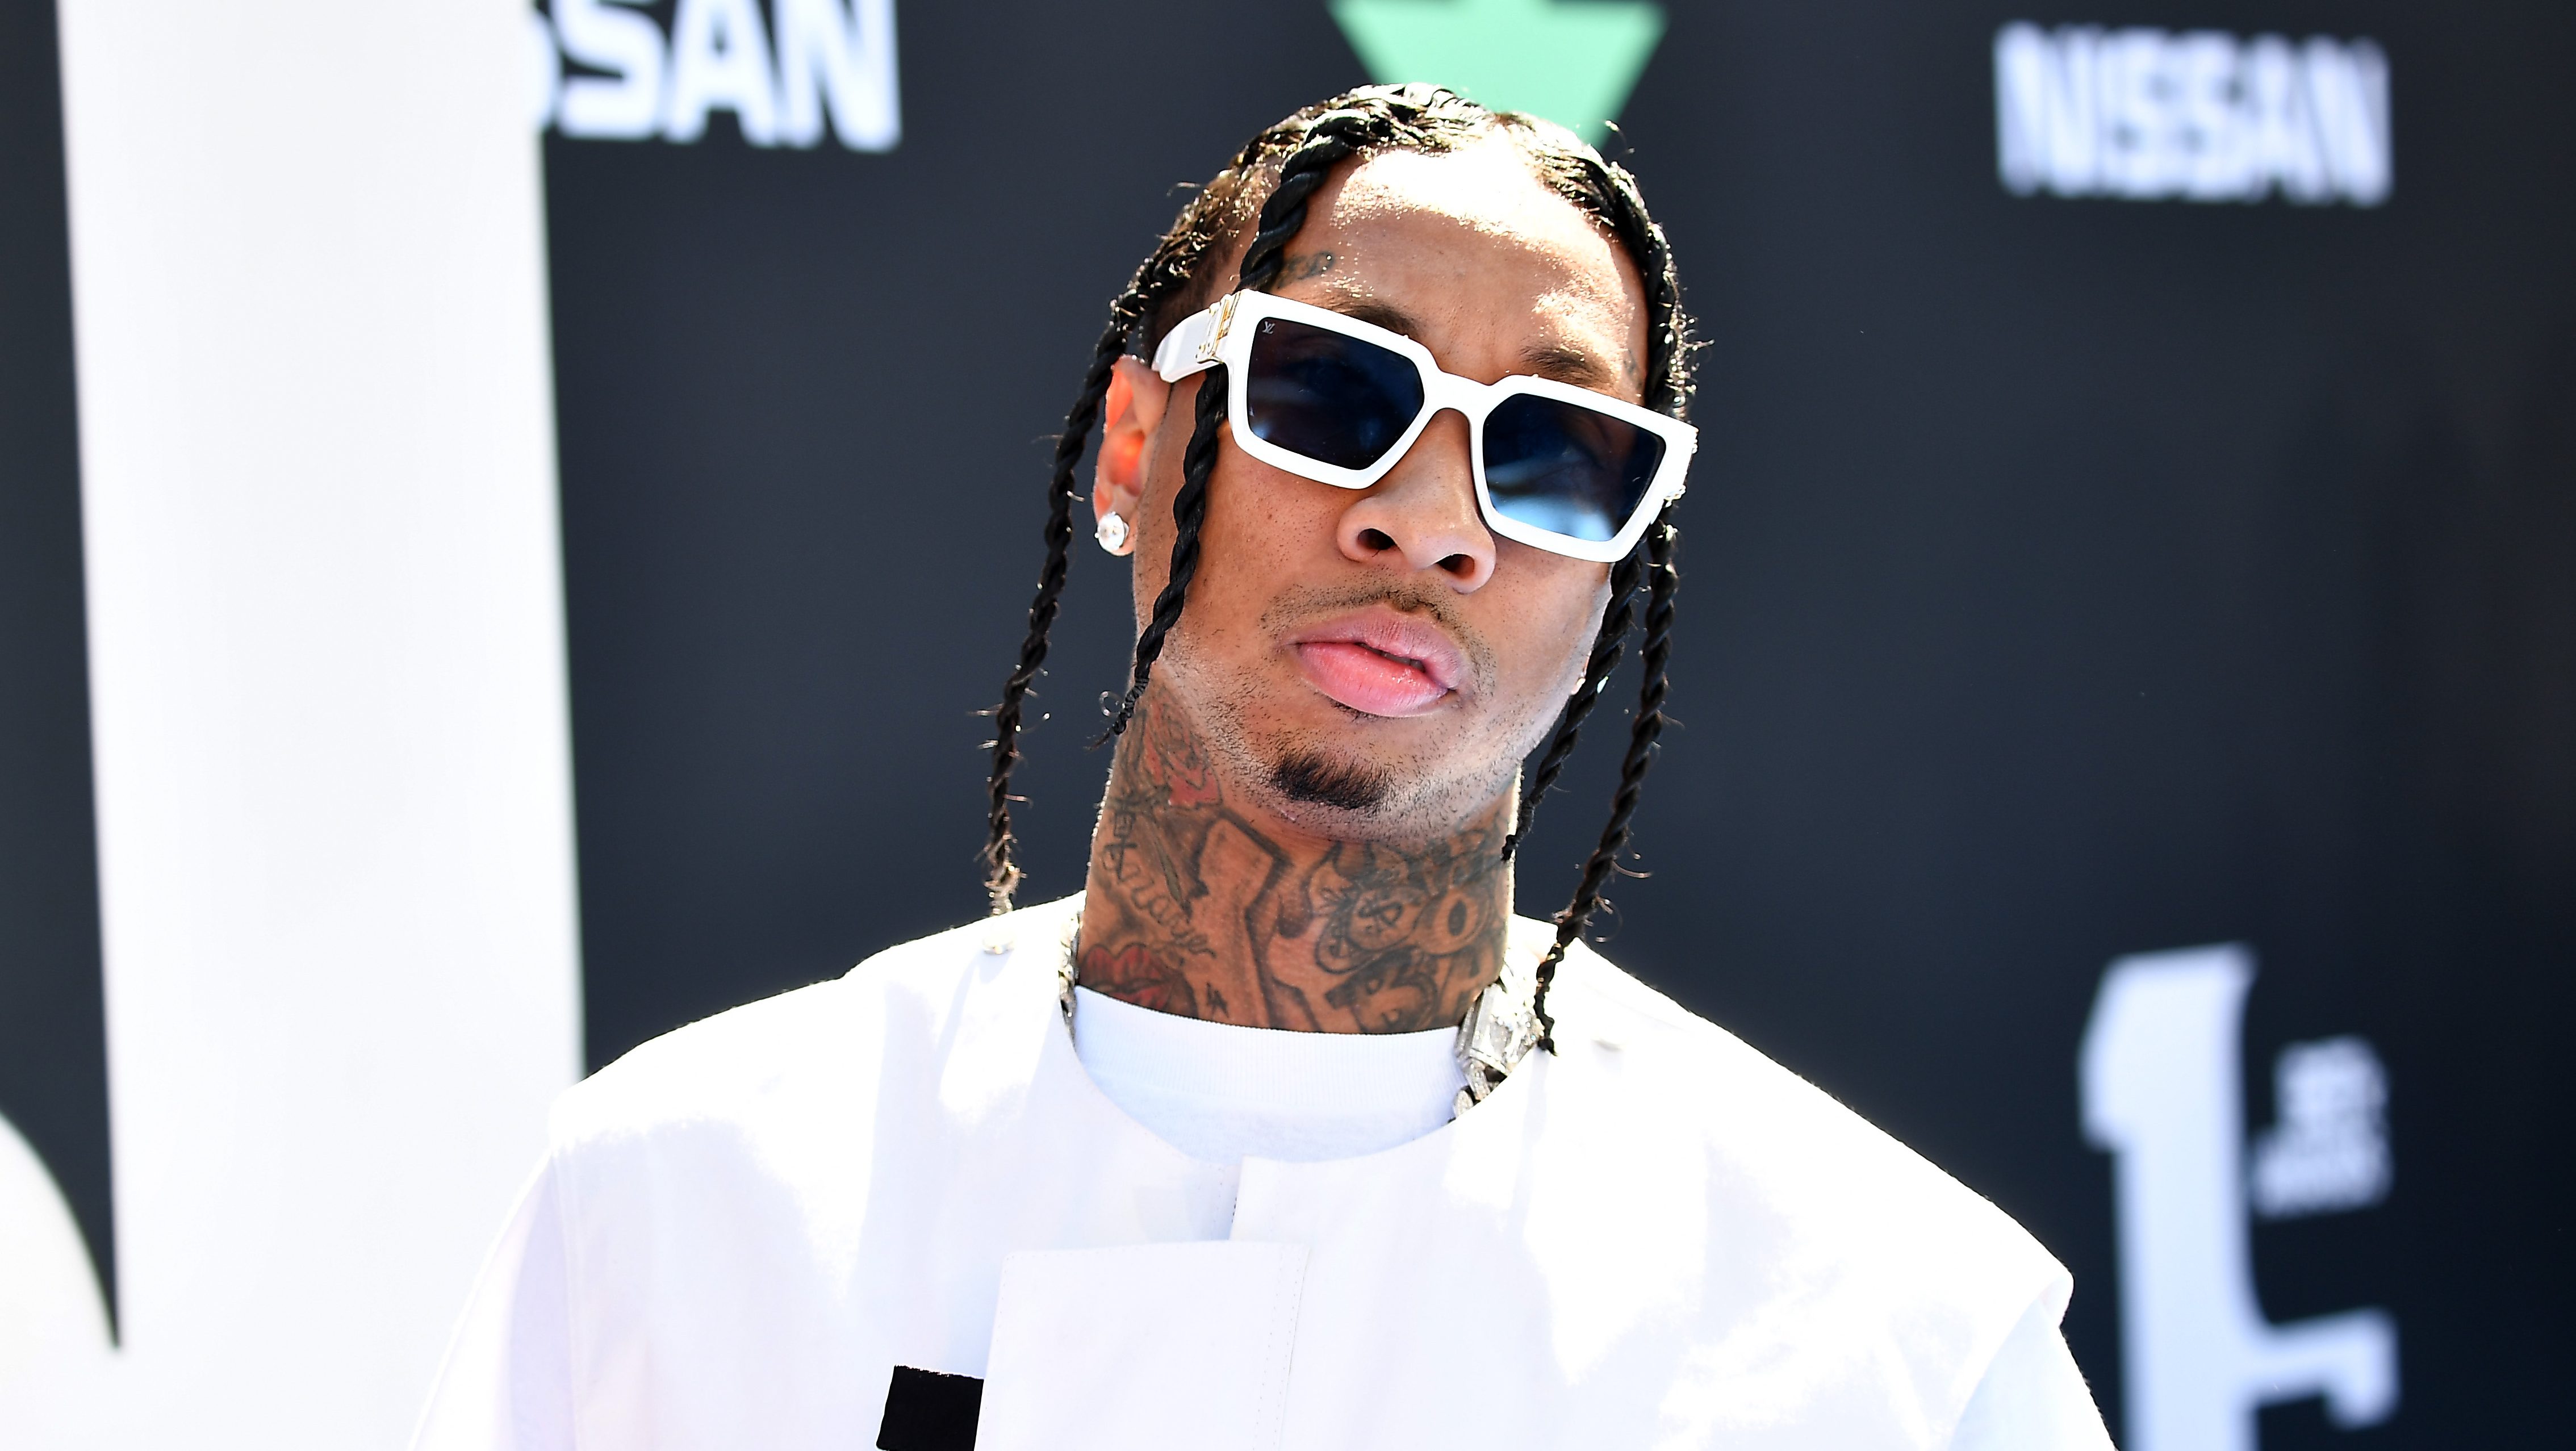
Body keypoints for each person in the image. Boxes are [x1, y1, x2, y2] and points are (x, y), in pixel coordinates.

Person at [412, 85, 2114, 1451]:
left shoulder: (1890, 1335)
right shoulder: (677, 1206)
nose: (1434, 517)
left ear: (1622, 568)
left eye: (1555, 452)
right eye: (1333, 385)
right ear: (1139, 448)